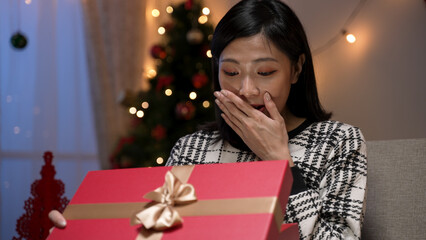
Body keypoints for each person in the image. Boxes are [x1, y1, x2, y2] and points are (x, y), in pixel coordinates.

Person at [50, 0, 367, 239]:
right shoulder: (191, 149)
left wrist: (280, 161)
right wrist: (82, 230)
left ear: (296, 69)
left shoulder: (340, 142)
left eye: (265, 72)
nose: (246, 90)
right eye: (230, 72)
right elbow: (154, 233)